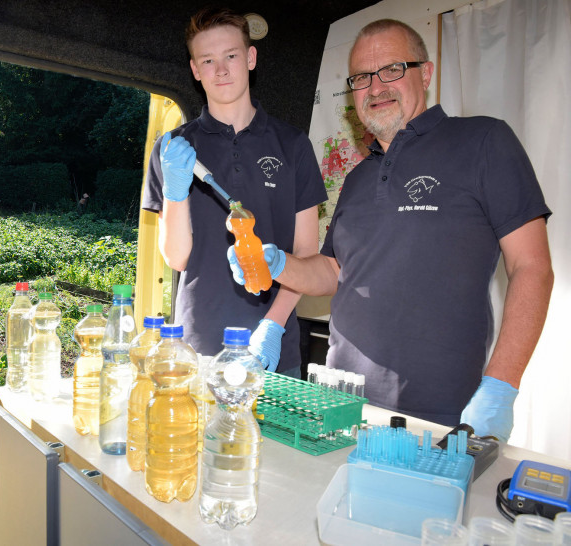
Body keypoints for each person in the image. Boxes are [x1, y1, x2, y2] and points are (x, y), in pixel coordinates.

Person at [228, 19, 553, 440]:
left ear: (427, 73)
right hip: (341, 407)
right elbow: (333, 272)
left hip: (441, 416)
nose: (376, 87)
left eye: (393, 70)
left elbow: (532, 266)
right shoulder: (359, 177)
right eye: (362, 77)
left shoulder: (484, 140)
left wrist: (501, 385)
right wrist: (276, 263)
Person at [142, 7, 326, 377]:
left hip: (274, 349)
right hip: (200, 347)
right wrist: (177, 195)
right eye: (208, 60)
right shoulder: (173, 148)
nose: (221, 69)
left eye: (231, 56)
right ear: (195, 70)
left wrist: (272, 327)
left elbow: (307, 255)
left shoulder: (293, 145)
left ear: (251, 58)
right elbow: (177, 258)